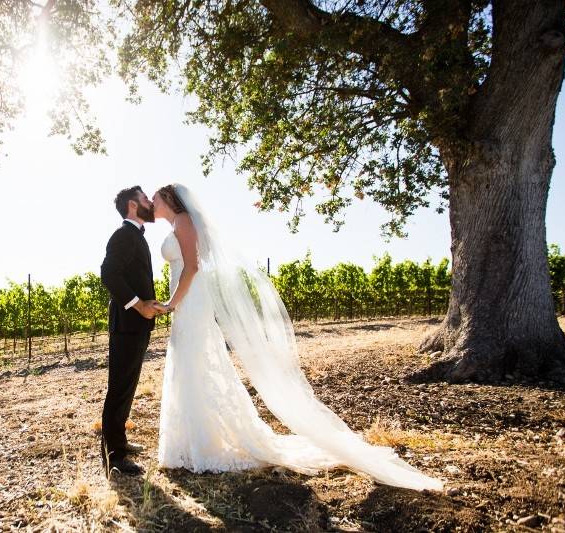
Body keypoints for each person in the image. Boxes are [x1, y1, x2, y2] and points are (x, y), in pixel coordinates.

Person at [149, 183, 443, 491]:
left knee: (193, 361)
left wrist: (172, 303)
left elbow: (193, 267)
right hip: (187, 302)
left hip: (190, 301)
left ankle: (198, 445)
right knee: (191, 364)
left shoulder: (183, 221)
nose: (151, 203)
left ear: (168, 199)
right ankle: (193, 441)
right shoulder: (178, 223)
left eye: (154, 198)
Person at [99, 186, 158, 476]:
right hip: (127, 325)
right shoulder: (123, 235)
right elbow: (108, 274)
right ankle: (114, 457)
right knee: (119, 389)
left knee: (128, 387)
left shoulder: (136, 235)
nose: (151, 203)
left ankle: (118, 441)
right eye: (146, 199)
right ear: (133, 205)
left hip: (137, 325)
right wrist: (139, 306)